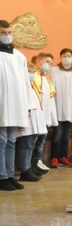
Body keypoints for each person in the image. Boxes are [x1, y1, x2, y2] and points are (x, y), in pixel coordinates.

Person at [0, 19, 30, 192]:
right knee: (2, 140)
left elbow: (25, 83)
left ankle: (10, 175)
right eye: (3, 33)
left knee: (11, 141)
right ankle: (2, 176)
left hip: (16, 104)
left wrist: (27, 106)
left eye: (9, 33)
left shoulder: (19, 56)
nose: (7, 36)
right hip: (2, 103)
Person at [15, 56, 46, 182]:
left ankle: (28, 167)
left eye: (33, 72)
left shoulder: (32, 86)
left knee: (30, 145)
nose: (32, 74)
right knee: (25, 145)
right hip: (26, 122)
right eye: (29, 71)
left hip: (34, 122)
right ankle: (24, 170)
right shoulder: (21, 86)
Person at [49, 48, 72, 168]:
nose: (67, 58)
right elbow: (51, 89)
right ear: (60, 57)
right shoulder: (54, 70)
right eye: (64, 56)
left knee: (66, 135)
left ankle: (63, 156)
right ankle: (54, 157)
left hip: (70, 108)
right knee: (57, 135)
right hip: (58, 107)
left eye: (69, 55)